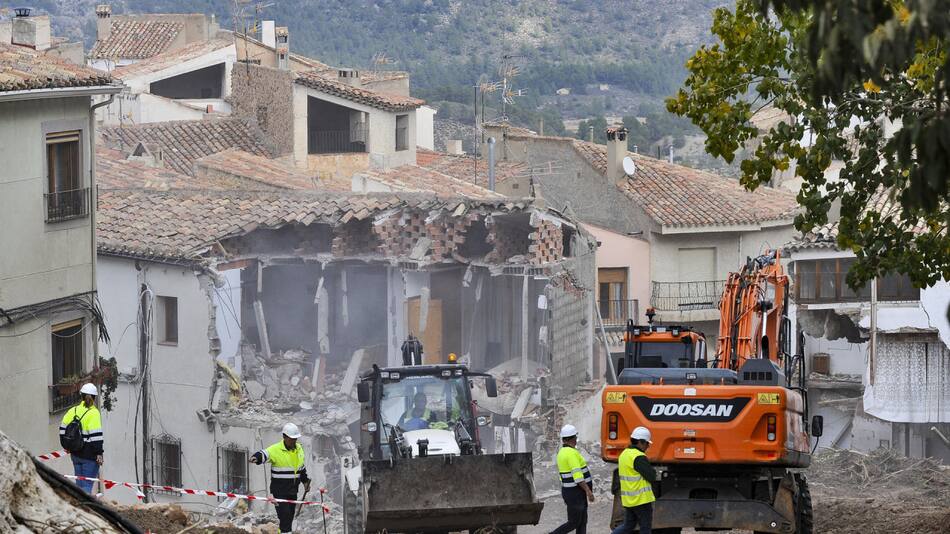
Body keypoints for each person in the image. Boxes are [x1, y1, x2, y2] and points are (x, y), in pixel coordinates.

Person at [250, 423, 311, 534]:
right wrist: (256, 457)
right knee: (285, 516)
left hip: (292, 490)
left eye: (295, 439)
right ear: (284, 437)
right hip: (279, 491)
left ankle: (283, 532)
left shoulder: (299, 449)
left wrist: (305, 481)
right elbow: (264, 454)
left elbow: (301, 468)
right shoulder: (276, 449)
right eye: (291, 439)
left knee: (289, 517)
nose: (294, 441)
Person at [610, 426, 657, 534]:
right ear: (640, 442)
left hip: (629, 500)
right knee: (645, 528)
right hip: (641, 500)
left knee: (628, 526)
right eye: (647, 443)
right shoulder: (639, 457)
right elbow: (651, 476)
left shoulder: (624, 454)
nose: (648, 446)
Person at [59, 383, 103, 494]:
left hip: (75, 455)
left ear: (81, 396)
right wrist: (99, 453)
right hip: (89, 456)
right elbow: (96, 436)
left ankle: (78, 505)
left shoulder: (72, 411)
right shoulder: (93, 413)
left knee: (79, 485)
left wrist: (67, 446)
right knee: (87, 486)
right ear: (94, 397)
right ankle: (85, 507)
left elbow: (62, 430)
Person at [551, 424, 594, 534]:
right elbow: (578, 477)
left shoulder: (562, 452)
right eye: (575, 437)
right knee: (574, 522)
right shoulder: (571, 453)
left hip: (573, 493)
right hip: (575, 494)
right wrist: (588, 491)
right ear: (573, 438)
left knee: (582, 521)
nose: (576, 440)